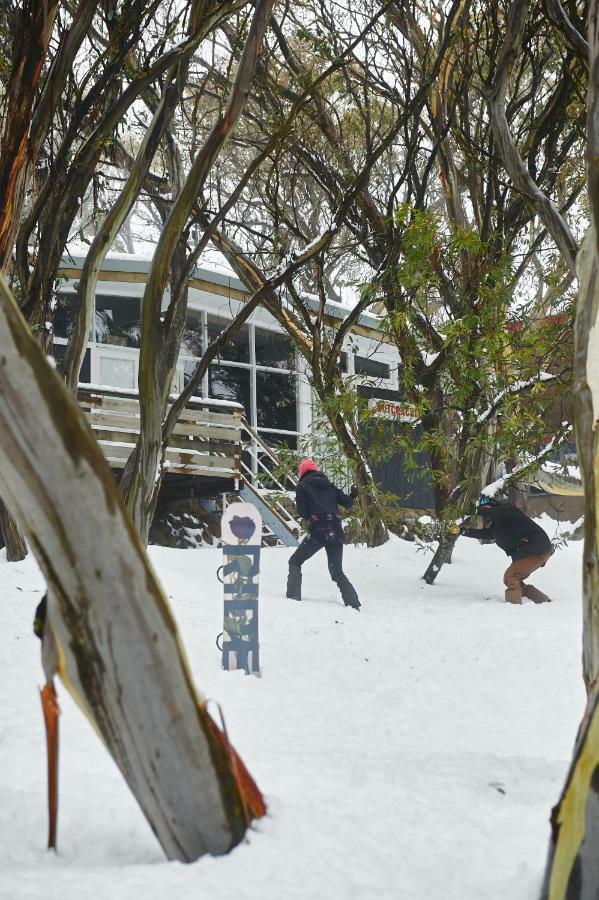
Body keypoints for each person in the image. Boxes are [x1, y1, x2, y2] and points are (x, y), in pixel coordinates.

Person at [287, 458, 360, 610]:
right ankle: (353, 604)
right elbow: (348, 503)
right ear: (316, 470)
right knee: (336, 571)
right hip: (335, 531)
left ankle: (292, 599)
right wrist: (353, 495)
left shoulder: (302, 486)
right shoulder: (329, 486)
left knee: (295, 561)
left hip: (318, 531)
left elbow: (303, 512)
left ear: (302, 472)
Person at [460, 495, 554, 604]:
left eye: (487, 508)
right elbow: (486, 533)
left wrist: (472, 510)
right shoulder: (498, 525)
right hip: (531, 552)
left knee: (511, 576)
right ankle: (542, 600)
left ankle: (513, 605)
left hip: (537, 549)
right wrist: (462, 531)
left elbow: (494, 513)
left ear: (494, 506)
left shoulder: (509, 511)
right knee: (511, 578)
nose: (486, 513)